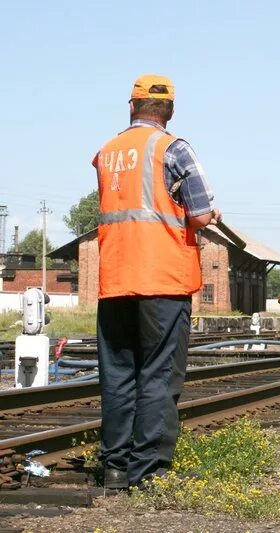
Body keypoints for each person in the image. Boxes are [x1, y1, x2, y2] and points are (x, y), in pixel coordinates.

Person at [93, 75, 220, 490]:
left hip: (115, 280)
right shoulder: (174, 148)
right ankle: (148, 471)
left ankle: (114, 468)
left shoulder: (107, 152)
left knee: (118, 375)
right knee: (159, 375)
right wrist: (210, 217)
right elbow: (199, 213)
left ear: (131, 106)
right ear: (169, 111)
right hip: (163, 278)